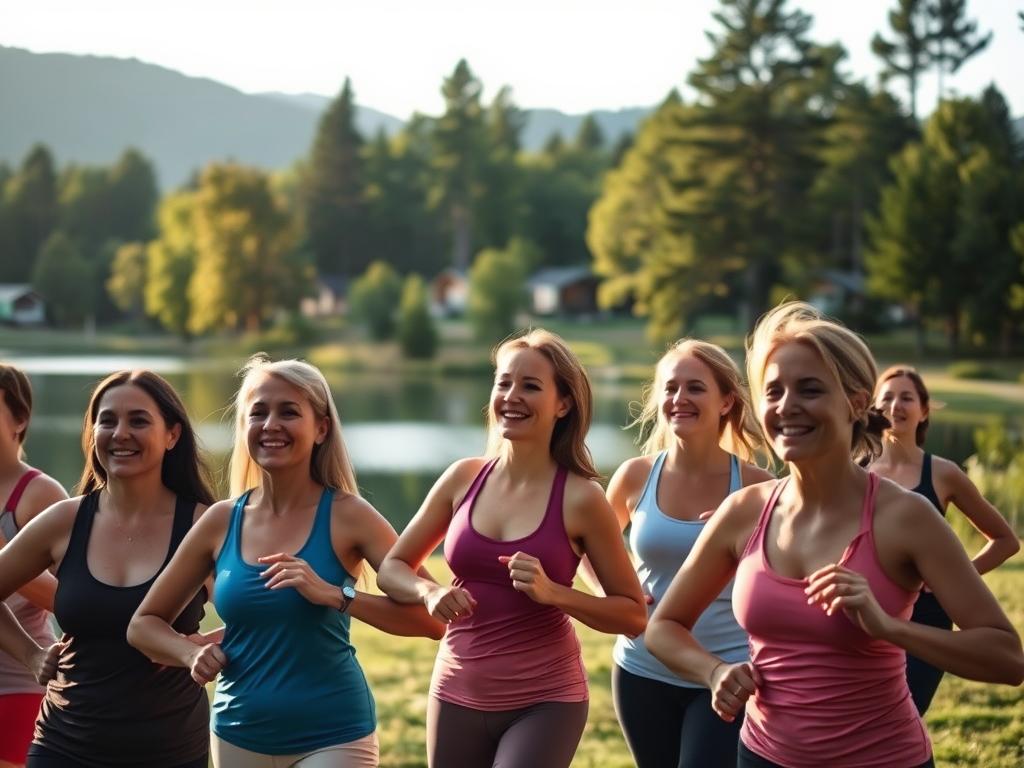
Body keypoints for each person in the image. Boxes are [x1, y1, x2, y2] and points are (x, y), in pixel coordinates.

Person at [645, 302, 1024, 768]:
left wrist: (889, 627)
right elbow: (663, 626)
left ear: (857, 402)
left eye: (810, 389)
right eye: (774, 391)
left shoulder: (906, 516)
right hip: (761, 756)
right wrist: (715, 670)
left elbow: (1007, 657)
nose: (787, 407)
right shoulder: (744, 511)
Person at [129, 355, 444, 768]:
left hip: (334, 735)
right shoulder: (221, 520)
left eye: (289, 412)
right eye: (257, 413)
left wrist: (337, 595)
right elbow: (143, 625)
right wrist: (189, 654)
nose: (270, 425)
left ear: (321, 428)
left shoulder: (349, 515)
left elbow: (432, 622)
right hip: (237, 732)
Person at [377, 328, 647, 768]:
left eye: (531, 386)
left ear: (563, 404)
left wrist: (555, 592)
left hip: (544, 701)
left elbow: (633, 614)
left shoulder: (581, 499)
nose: (512, 396)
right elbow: (393, 567)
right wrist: (430, 592)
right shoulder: (463, 479)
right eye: (504, 383)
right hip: (456, 690)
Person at [0, 369, 215, 768]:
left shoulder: (205, 525)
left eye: (138, 420)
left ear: (172, 435)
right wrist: (30, 655)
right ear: (92, 432)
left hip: (170, 747)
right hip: (64, 743)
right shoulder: (64, 521)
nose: (120, 433)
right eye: (108, 420)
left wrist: (201, 647)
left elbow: (255, 616)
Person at [598, 340, 773, 768]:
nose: (679, 399)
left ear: (726, 400)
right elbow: (587, 545)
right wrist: (615, 591)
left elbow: (785, 571)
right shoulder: (635, 475)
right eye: (671, 388)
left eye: (695, 388)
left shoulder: (757, 486)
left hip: (725, 674)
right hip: (641, 668)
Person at [870, 365, 1019, 714]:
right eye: (887, 398)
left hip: (928, 620)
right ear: (873, 409)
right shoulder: (855, 470)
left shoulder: (943, 473)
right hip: (870, 614)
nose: (896, 406)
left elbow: (1005, 540)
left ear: (923, 410)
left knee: (902, 713)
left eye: (906, 398)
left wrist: (952, 579)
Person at [0, 365, 67, 768]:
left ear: (19, 420)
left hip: (17, 686)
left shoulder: (39, 494)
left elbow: (72, 600)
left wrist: (9, 558)